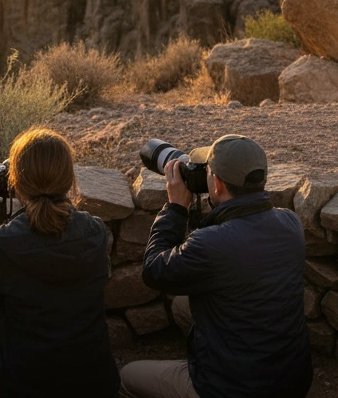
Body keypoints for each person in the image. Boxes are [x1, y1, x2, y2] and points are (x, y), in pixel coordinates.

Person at [121, 134, 312, 398]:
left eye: (207, 171)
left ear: (218, 184)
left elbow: (154, 270)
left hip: (229, 390)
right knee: (181, 306)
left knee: (127, 377)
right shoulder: (290, 223)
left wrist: (175, 208)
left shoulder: (211, 243)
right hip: (292, 381)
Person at [0, 128, 120, 398]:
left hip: (26, 388)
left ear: (15, 182)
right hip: (96, 384)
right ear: (68, 179)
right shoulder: (96, 231)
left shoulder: (2, 242)